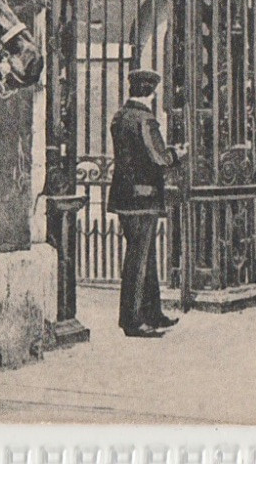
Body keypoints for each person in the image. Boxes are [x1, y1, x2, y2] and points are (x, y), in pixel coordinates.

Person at [107, 69, 186, 338]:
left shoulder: (120, 116)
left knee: (144, 257)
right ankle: (132, 320)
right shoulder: (146, 120)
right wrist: (177, 154)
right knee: (139, 260)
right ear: (151, 92)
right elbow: (158, 158)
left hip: (124, 197)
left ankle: (153, 313)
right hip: (144, 196)